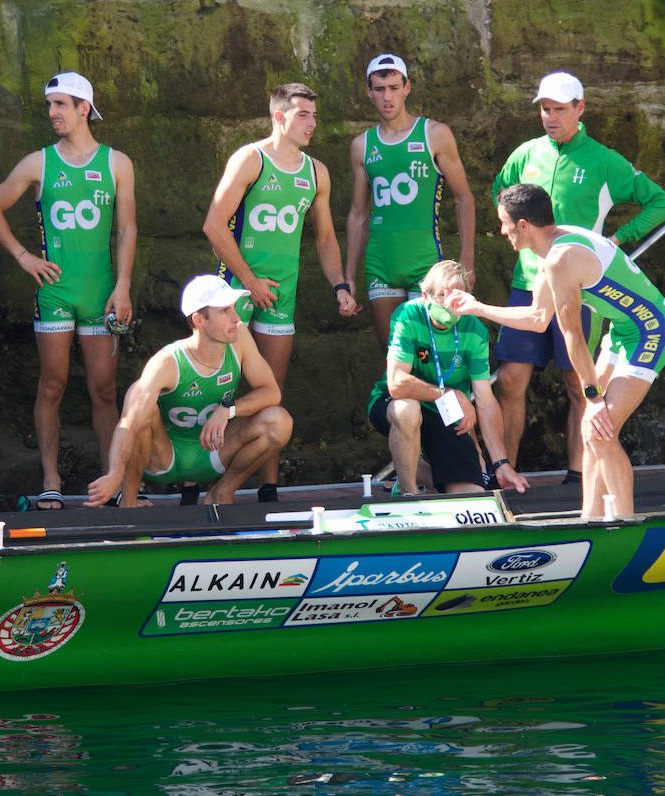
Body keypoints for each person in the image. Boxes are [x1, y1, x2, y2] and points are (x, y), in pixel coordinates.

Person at [490, 71, 665, 482]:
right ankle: (504, 473)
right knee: (509, 380)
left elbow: (661, 203)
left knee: (579, 382)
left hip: (581, 288)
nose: (550, 116)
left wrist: (615, 239)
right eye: (544, 109)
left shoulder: (604, 159)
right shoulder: (525, 154)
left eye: (559, 109)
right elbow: (500, 194)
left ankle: (578, 475)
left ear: (580, 108)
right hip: (528, 283)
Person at [451, 184, 665, 518]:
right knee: (591, 428)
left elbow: (572, 334)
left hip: (651, 330)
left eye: (504, 223)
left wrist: (595, 396)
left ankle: (625, 525)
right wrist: (478, 308)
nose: (501, 231)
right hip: (624, 330)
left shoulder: (561, 258)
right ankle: (591, 520)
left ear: (523, 225)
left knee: (600, 430)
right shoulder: (552, 248)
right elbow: (538, 319)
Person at [0, 72, 136, 508]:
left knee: (104, 390)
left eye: (60, 104)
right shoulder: (39, 162)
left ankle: (112, 480)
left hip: (101, 292)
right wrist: (23, 256)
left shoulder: (117, 163)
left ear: (84, 107)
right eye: (49, 105)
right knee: (53, 384)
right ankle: (50, 479)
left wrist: (122, 286)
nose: (52, 113)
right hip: (54, 293)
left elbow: (126, 229)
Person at [202, 83, 359, 501]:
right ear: (279, 116)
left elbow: (325, 239)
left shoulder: (316, 172)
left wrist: (340, 285)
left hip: (281, 295)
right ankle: (191, 483)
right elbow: (214, 225)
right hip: (236, 291)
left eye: (314, 115)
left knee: (271, 389)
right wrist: (250, 283)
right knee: (221, 386)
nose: (311, 122)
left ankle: (266, 487)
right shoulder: (250, 159)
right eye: (303, 114)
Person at [86, 275, 292, 507]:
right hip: (164, 460)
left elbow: (271, 393)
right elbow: (129, 422)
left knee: (279, 421)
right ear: (198, 319)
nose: (236, 318)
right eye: (225, 311)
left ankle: (221, 494)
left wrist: (228, 410)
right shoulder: (167, 362)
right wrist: (115, 472)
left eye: (234, 308)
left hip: (211, 453)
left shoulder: (239, 337)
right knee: (140, 399)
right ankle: (129, 502)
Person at [345, 53, 476, 347]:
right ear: (369, 92)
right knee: (394, 353)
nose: (387, 97)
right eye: (379, 89)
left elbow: (463, 197)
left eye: (394, 87)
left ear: (407, 88)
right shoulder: (361, 145)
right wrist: (348, 276)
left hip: (425, 263)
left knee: (427, 355)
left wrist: (467, 259)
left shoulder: (435, 134)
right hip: (380, 263)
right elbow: (358, 213)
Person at [368, 260, 526, 497]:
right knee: (406, 409)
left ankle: (423, 472)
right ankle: (409, 494)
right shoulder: (408, 315)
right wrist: (448, 393)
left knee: (471, 492)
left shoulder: (475, 329)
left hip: (447, 411)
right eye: (442, 295)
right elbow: (397, 383)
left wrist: (501, 463)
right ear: (425, 294)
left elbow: (485, 399)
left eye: (458, 296)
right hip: (399, 403)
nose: (450, 304)